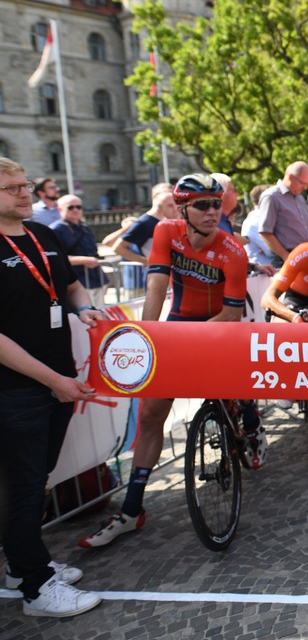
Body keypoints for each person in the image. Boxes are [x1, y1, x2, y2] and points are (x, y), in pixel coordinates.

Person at [79, 174, 253, 550]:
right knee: (150, 416)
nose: (212, 212)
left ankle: (247, 417)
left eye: (216, 204)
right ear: (182, 208)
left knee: (234, 388)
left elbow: (231, 315)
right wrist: (149, 336)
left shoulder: (233, 251)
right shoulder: (166, 233)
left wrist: (184, 339)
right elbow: (156, 287)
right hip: (177, 326)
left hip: (217, 327)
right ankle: (131, 509)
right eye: (202, 205)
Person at [0, 158, 104, 617]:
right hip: (17, 389)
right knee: (20, 487)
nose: (26, 193)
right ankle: (37, 590)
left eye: (25, 185)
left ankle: (23, 567)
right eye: (12, 188)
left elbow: (72, 287)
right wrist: (54, 381)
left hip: (58, 378)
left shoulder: (44, 234)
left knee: (34, 481)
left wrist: (84, 310)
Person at [49, 195, 108, 306]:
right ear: (60, 209)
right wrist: (83, 260)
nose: (75, 210)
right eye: (70, 207)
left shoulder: (85, 228)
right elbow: (54, 258)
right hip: (76, 282)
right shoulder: (55, 229)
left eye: (78, 207)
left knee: (100, 312)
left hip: (96, 278)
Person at [259, 161, 308, 268]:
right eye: (303, 183)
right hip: (285, 259)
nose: (305, 188)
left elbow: (307, 229)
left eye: (307, 184)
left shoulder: (299, 198)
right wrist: (287, 257)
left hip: (305, 256)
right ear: (290, 177)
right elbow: (265, 232)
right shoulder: (272, 197)